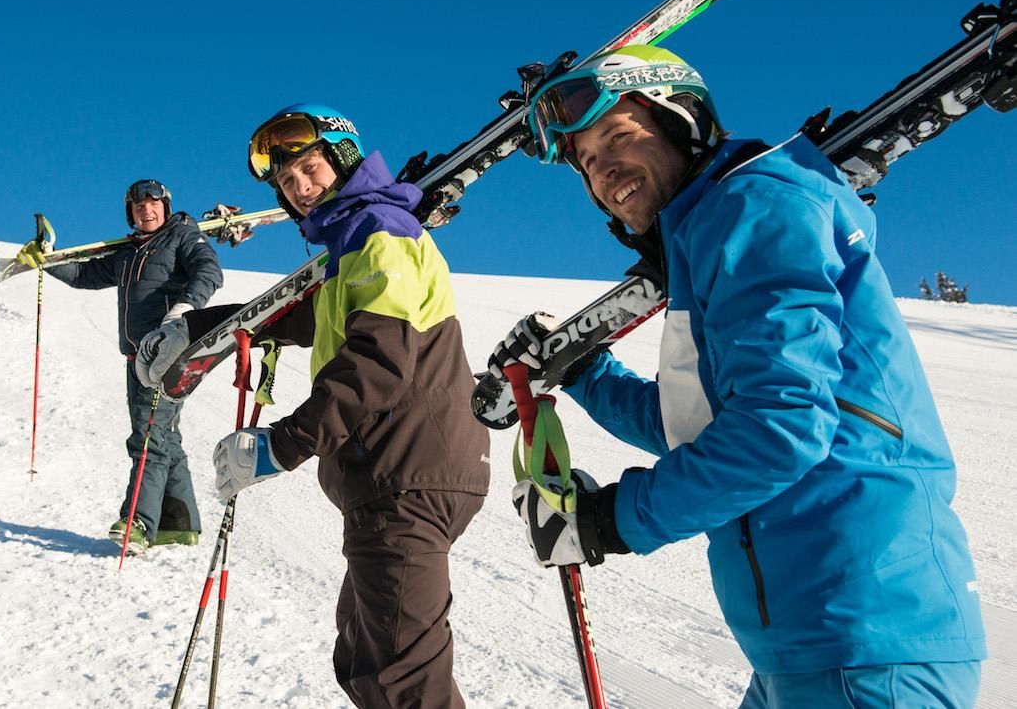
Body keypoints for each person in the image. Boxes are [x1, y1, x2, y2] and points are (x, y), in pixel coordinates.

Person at [489, 46, 987, 707]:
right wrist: (586, 373)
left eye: (617, 137)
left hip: (865, 641)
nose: (603, 169)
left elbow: (778, 431)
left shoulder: (750, 205)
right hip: (806, 649)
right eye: (585, 161)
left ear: (678, 120)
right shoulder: (715, 232)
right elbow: (702, 430)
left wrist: (607, 521)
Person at [146, 105, 490, 708]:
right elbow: (301, 314)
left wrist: (280, 445)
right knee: (364, 660)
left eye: (309, 168)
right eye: (287, 181)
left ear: (343, 159)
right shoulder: (351, 245)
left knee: (402, 681)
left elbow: (379, 361)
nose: (301, 188)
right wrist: (198, 330)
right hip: (391, 479)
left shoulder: (379, 232)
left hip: (405, 476)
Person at [15, 179, 223, 553]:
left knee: (147, 437)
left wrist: (186, 308)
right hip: (136, 359)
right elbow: (85, 275)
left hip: (166, 356)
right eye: (139, 207)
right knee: (163, 436)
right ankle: (179, 524)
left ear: (166, 206)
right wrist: (50, 259)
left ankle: (138, 523)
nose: (147, 211)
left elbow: (209, 273)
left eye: (154, 204)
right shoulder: (129, 254)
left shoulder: (182, 236)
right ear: (132, 213)